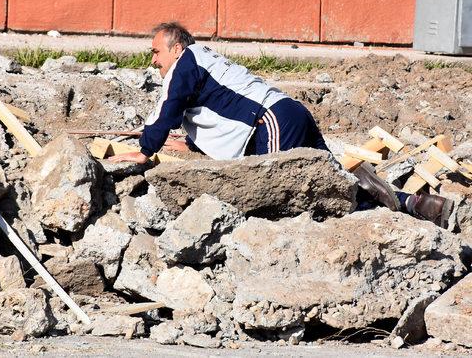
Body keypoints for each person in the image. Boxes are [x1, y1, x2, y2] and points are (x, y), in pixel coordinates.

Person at [108, 21, 454, 228]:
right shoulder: (203, 62)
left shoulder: (185, 64)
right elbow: (222, 109)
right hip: (285, 114)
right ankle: (418, 205)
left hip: (273, 120)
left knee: (277, 193)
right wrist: (191, 144)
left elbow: (167, 108)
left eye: (155, 52)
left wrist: (144, 150)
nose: (153, 61)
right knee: (332, 179)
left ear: (177, 47)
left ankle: (365, 213)